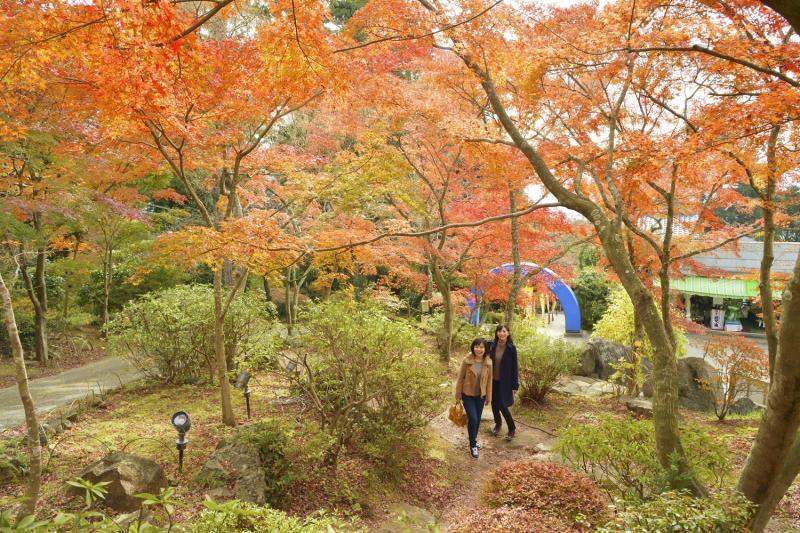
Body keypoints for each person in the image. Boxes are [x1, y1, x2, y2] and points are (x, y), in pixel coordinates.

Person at [454, 338, 493, 459]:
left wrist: (489, 397)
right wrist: (458, 394)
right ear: (473, 348)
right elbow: (460, 378)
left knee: (476, 420)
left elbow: (489, 381)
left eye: (481, 347)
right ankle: (472, 445)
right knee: (474, 418)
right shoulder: (467, 361)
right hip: (467, 394)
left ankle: (473, 439)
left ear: (485, 349)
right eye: (477, 346)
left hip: (480, 396)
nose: (479, 349)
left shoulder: (488, 363)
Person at [489, 324, 518, 441]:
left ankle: (511, 428)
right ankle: (498, 423)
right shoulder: (491, 345)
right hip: (492, 380)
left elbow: (514, 367)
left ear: (508, 333)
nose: (502, 333)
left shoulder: (511, 348)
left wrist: (515, 385)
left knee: (502, 405)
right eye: (499, 331)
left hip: (504, 382)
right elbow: (478, 351)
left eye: (504, 331)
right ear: (496, 333)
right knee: (493, 404)